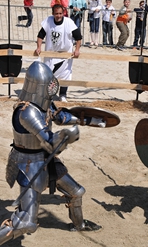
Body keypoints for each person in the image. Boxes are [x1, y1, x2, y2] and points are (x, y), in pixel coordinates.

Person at [0, 61, 104, 245]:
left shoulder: (43, 104)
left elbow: (60, 117)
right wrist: (67, 136)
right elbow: (49, 143)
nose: (52, 88)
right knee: (27, 223)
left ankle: (79, 225)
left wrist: (87, 120)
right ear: (41, 86)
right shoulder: (26, 112)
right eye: (49, 84)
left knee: (77, 192)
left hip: (45, 160)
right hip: (28, 165)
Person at [35, 4, 82, 102]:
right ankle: (50, 94)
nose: (58, 16)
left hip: (65, 55)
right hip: (50, 54)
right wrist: (38, 47)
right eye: (56, 14)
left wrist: (77, 50)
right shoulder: (48, 21)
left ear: (63, 13)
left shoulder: (69, 23)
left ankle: (63, 94)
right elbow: (40, 36)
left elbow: (78, 38)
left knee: (66, 74)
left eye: (60, 13)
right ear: (53, 13)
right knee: (49, 75)